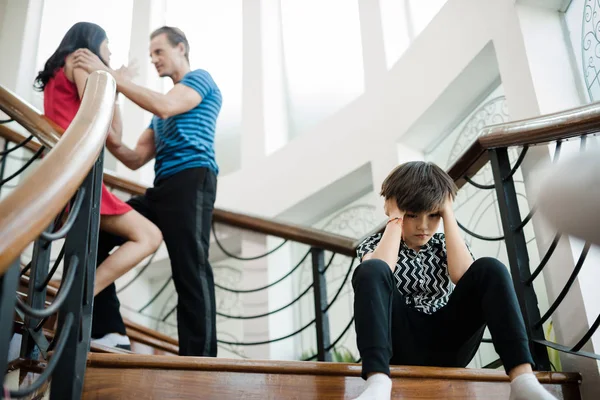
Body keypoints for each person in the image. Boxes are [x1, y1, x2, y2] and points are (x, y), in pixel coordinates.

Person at [72, 26, 221, 357]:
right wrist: (111, 99)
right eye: (151, 53)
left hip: (191, 181)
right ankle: (106, 328)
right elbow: (134, 156)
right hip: (161, 188)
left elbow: (165, 106)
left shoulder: (198, 81)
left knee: (190, 271)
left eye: (159, 52)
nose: (153, 59)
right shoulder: (160, 114)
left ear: (181, 48)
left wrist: (110, 73)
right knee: (95, 236)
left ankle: (201, 364)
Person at [351, 161, 557, 400]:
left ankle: (523, 380)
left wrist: (447, 211)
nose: (423, 225)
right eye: (412, 215)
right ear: (394, 209)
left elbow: (463, 274)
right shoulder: (376, 245)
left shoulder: (443, 243)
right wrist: (395, 219)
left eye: (433, 215)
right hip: (398, 343)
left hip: (447, 344)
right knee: (371, 269)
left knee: (490, 268)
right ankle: (377, 384)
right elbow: (381, 268)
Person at [35, 22, 163, 350]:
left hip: (66, 174)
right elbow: (98, 117)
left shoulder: (57, 72)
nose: (110, 53)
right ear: (92, 43)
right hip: (78, 175)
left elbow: (110, 132)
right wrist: (112, 79)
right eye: (107, 46)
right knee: (148, 236)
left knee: (95, 249)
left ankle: (77, 304)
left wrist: (114, 84)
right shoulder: (79, 61)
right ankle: (73, 298)